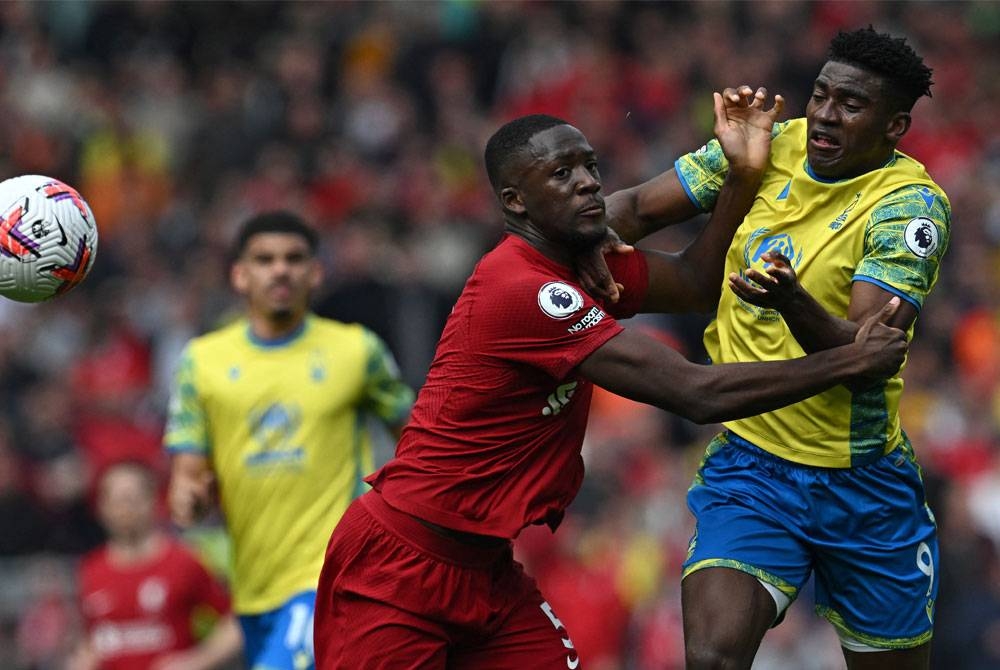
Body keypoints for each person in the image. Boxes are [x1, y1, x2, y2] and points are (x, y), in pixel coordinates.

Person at [312, 85, 909, 667]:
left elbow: (696, 284)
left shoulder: (575, 263)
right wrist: (848, 360)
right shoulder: (525, 289)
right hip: (400, 566)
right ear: (517, 203)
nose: (588, 182)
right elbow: (691, 392)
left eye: (590, 166)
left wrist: (744, 179)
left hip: (484, 568)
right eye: (561, 174)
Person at [589, 26, 949, 670]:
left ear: (895, 126)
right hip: (753, 469)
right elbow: (638, 207)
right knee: (713, 657)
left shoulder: (908, 206)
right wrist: (554, 240)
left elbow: (862, 356)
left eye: (851, 105)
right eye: (820, 95)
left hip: (862, 484)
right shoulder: (766, 148)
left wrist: (791, 300)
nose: (825, 116)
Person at [163, 212, 415, 670]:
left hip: (335, 575)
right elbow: (186, 479)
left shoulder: (356, 351)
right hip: (254, 589)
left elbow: (417, 440)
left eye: (294, 258)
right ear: (240, 275)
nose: (280, 269)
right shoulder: (202, 362)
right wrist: (190, 498)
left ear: (315, 272)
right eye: (265, 259)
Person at [70, 460, 242, 670]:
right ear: (102, 508)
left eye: (130, 499)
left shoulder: (182, 561)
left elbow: (236, 621)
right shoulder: (91, 570)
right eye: (115, 501)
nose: (123, 510)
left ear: (152, 501)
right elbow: (92, 640)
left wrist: (197, 661)